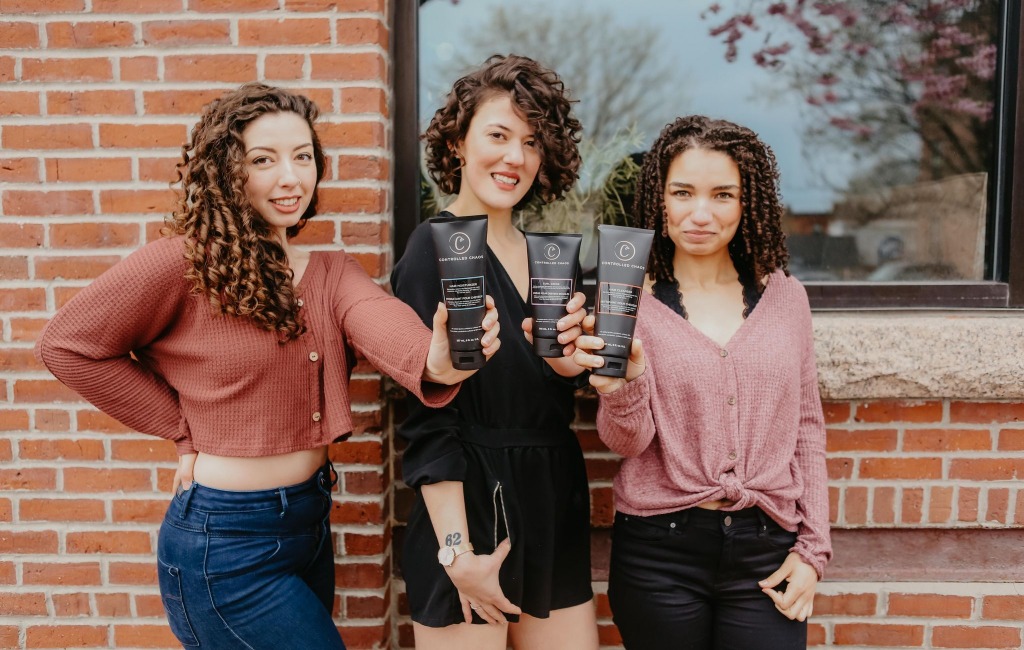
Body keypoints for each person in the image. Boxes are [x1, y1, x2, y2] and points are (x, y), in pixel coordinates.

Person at [34, 83, 500, 650]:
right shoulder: (182, 265)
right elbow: (67, 344)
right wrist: (181, 428)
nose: (291, 178)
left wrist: (436, 358)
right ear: (226, 172)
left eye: (303, 157)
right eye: (263, 160)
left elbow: (376, 315)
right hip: (223, 544)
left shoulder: (330, 271)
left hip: (308, 525)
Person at [571, 115, 831, 649]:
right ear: (659, 200)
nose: (701, 214)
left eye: (722, 195)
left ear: (747, 202)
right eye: (683, 192)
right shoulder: (627, 302)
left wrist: (813, 550)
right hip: (659, 553)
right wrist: (626, 384)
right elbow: (626, 442)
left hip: (766, 549)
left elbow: (806, 428)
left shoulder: (787, 299)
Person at [391, 55, 599, 650]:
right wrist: (457, 552)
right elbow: (426, 416)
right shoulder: (434, 250)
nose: (515, 157)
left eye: (532, 142)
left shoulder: (551, 260)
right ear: (458, 142)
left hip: (551, 496)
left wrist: (575, 369)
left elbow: (563, 385)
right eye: (499, 135)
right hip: (470, 502)